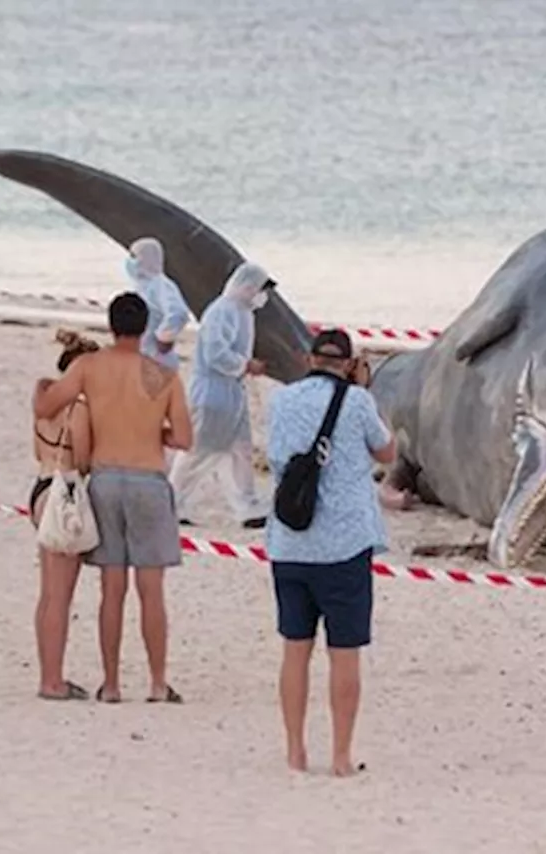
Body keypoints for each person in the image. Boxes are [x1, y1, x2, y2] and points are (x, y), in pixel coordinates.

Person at [32, 293, 194, 705]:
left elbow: (47, 406)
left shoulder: (90, 366)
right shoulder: (161, 374)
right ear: (144, 329)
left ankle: (112, 684)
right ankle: (157, 683)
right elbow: (184, 438)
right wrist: (149, 431)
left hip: (105, 479)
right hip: (148, 480)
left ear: (110, 325)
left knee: (112, 588)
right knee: (152, 589)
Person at [265, 328, 397, 776]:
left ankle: (294, 750)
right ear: (348, 363)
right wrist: (363, 388)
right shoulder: (358, 402)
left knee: (294, 650)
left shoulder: (281, 400)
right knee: (344, 652)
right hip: (343, 543)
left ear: (309, 360)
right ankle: (340, 755)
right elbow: (386, 451)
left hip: (290, 540)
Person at [169, 262, 273, 529]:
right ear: (248, 287)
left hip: (232, 392)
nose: (263, 297)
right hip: (213, 392)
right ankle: (171, 502)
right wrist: (246, 365)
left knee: (240, 450)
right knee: (198, 449)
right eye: (261, 289)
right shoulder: (222, 311)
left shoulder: (243, 312)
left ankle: (246, 508)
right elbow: (216, 353)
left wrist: (244, 367)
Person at [29, 329, 99, 701]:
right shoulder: (80, 408)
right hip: (65, 491)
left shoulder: (43, 401)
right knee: (61, 596)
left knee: (47, 594)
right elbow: (84, 460)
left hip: (40, 487)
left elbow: (35, 449)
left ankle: (47, 673)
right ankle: (52, 680)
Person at [122, 237, 191, 371]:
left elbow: (178, 313)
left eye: (133, 256)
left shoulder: (160, 285)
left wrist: (164, 338)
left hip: (157, 361)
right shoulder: (142, 286)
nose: (129, 261)